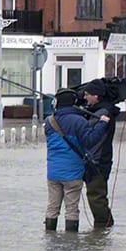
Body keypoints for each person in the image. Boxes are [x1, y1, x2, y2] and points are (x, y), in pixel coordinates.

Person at [44, 88, 109, 232]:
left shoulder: (49, 121)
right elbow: (90, 141)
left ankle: (50, 238)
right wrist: (102, 124)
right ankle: (71, 243)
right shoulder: (79, 121)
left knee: (52, 207)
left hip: (53, 173)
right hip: (73, 173)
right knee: (72, 209)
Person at [80, 79, 119, 229]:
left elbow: (86, 128)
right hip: (96, 159)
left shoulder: (103, 112)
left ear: (96, 96)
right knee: (97, 196)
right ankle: (104, 229)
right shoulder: (98, 110)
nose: (85, 97)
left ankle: (103, 227)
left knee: (96, 197)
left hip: (99, 161)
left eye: (87, 94)